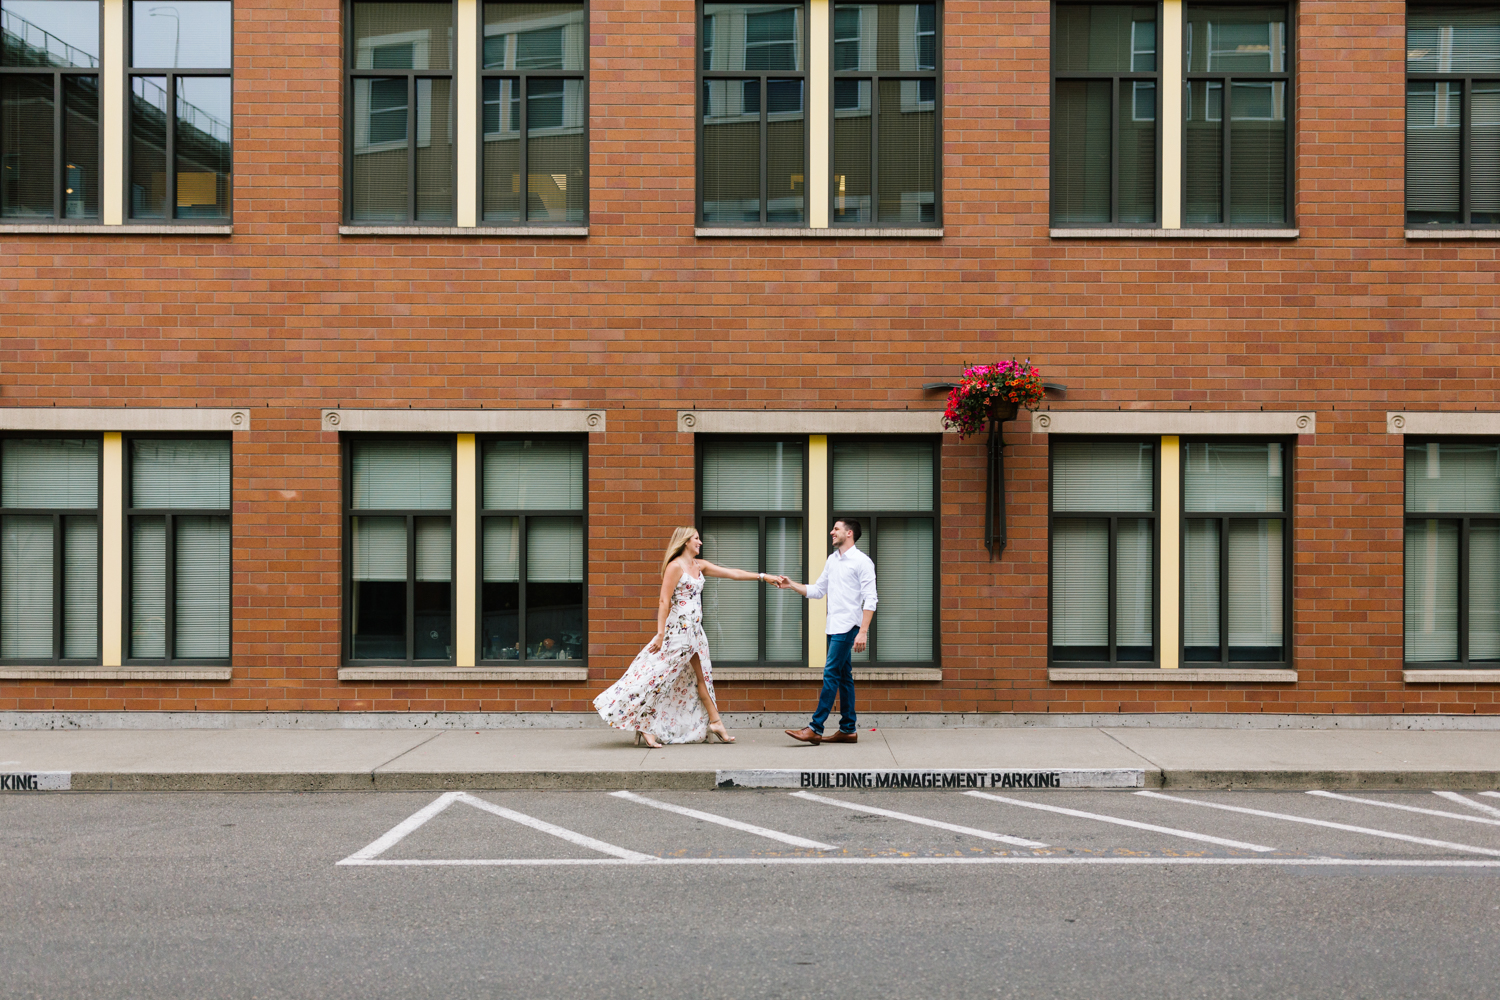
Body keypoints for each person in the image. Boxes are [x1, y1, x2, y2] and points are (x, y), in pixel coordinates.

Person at [594, 526, 779, 747]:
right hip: (678, 633)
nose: (700, 542)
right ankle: (644, 724)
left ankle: (716, 722)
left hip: (695, 633)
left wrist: (763, 576)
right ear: (685, 542)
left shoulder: (699, 566)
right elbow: (664, 601)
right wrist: (661, 634)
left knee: (703, 678)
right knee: (660, 677)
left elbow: (733, 573)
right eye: (696, 539)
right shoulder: (675, 567)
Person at [776, 519, 877, 744]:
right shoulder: (832, 560)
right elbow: (818, 590)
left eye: (836, 529)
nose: (832, 532)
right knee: (843, 678)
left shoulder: (862, 562)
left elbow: (871, 598)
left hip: (848, 626)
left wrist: (863, 631)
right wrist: (791, 585)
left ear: (849, 533)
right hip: (833, 626)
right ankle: (848, 729)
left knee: (830, 674)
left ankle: (815, 727)